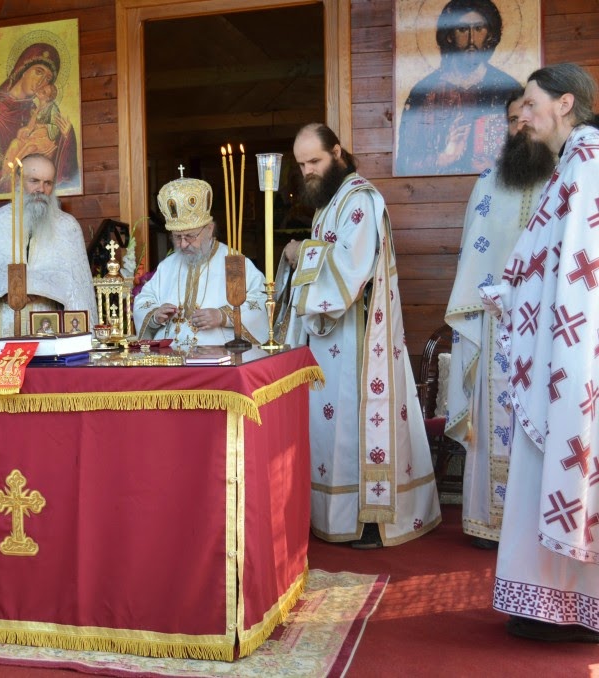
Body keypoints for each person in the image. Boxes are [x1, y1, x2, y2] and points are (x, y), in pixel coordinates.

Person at [480, 63, 599, 643]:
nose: (522, 116)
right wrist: (514, 290)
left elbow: (581, 273)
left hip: (572, 352)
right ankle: (548, 604)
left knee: (564, 466)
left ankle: (570, 609)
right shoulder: (572, 164)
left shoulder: (587, 164)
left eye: (531, 104)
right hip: (557, 346)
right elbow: (548, 262)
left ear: (565, 103)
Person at [282, 123, 441, 548]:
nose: (308, 171)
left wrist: (300, 252)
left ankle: (370, 519)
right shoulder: (327, 205)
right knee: (332, 429)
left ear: (337, 152)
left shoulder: (360, 200)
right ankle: (334, 517)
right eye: (301, 164)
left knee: (357, 426)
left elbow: (349, 269)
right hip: (330, 342)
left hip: (360, 341)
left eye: (314, 161)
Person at [443, 90, 552, 549]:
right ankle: (489, 523)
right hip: (494, 325)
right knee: (493, 421)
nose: (520, 126)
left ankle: (542, 525)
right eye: (512, 119)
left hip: (550, 326)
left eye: (528, 115)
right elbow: (473, 255)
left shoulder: (566, 177)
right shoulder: (488, 182)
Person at [0, 153, 95, 344]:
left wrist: (39, 287)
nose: (41, 189)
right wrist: (10, 287)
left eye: (48, 183)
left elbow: (79, 290)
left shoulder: (68, 227)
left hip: (51, 328)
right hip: (0, 325)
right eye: (34, 181)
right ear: (17, 181)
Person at [133, 176, 269, 348]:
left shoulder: (233, 263)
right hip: (171, 355)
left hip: (218, 354)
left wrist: (223, 316)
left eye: (190, 236)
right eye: (177, 237)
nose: (183, 244)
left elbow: (259, 301)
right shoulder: (168, 266)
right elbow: (144, 299)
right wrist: (155, 316)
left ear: (209, 229)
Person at [395, 0, 522, 176]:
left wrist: (496, 167)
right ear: (449, 35)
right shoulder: (423, 93)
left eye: (479, 29)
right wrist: (444, 157)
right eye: (462, 29)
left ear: (489, 34)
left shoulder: (509, 90)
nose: (471, 40)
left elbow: (525, 153)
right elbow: (404, 162)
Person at [0, 42, 79, 193]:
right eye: (38, 72)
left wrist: (67, 137)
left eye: (48, 79)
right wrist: (19, 182)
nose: (41, 82)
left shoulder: (38, 110)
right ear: (23, 70)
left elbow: (61, 169)